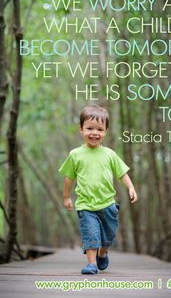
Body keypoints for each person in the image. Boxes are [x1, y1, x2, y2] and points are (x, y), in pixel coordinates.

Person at [59, 105, 138, 275]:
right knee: (91, 235)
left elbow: (121, 173)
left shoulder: (109, 154)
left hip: (107, 204)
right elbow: (68, 177)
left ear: (105, 132)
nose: (94, 133)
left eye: (100, 129)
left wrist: (131, 187)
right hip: (86, 205)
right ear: (81, 130)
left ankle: (103, 253)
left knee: (107, 236)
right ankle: (92, 264)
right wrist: (66, 197)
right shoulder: (75, 154)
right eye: (89, 128)